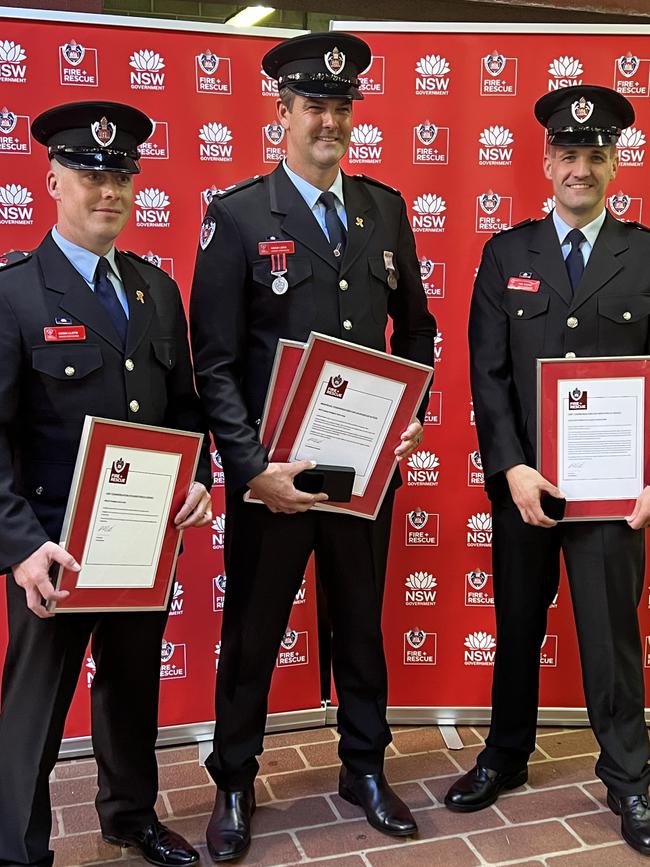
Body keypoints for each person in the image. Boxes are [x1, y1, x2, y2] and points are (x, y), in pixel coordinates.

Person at [190, 31, 436, 863]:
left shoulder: (385, 209)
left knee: (360, 625)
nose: (328, 121)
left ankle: (363, 767)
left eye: (341, 108)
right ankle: (233, 777)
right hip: (278, 477)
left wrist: (414, 411)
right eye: (314, 107)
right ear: (283, 112)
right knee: (253, 633)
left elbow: (420, 331)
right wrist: (253, 470)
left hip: (365, 469)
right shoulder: (238, 216)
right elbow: (214, 363)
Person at [0, 100, 213, 867]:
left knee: (131, 688)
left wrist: (197, 476)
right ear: (53, 179)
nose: (107, 190)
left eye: (120, 174)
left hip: (140, 538)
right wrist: (22, 546)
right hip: (53, 548)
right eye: (90, 174)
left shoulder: (156, 290)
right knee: (35, 710)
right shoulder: (16, 292)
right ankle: (16, 848)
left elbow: (184, 406)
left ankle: (130, 815)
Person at [444, 84, 650, 857]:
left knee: (611, 637)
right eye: (569, 154)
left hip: (611, 494)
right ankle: (505, 753)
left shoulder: (647, 254)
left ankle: (630, 775)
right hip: (527, 487)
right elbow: (487, 375)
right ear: (547, 161)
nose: (582, 169)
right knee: (517, 627)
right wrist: (512, 469)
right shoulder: (507, 254)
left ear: (616, 165)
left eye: (596, 156)